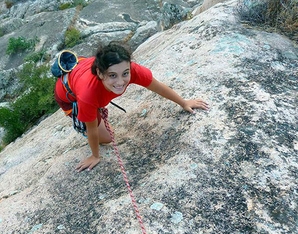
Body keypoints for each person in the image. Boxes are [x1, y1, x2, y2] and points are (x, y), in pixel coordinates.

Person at [54, 42, 209, 172]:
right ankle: (87, 114)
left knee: (102, 119)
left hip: (82, 72)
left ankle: (98, 102)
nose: (121, 82)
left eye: (125, 74)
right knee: (107, 137)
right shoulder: (88, 95)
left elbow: (158, 87)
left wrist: (184, 102)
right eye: (112, 75)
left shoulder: (132, 71)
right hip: (68, 95)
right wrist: (95, 155)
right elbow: (92, 128)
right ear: (100, 73)